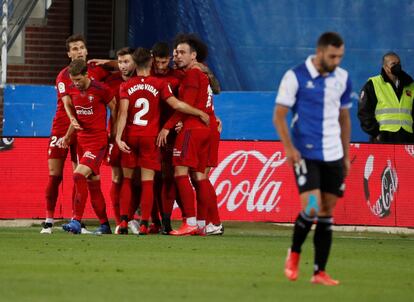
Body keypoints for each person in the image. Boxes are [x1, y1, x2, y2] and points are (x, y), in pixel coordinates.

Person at [273, 32, 352, 286]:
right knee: (311, 207)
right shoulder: (295, 76)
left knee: (327, 211)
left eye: (340, 56)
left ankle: (319, 272)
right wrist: (288, 148)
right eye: (332, 56)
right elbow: (279, 115)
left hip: (334, 154)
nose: (337, 61)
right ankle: (294, 253)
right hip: (305, 152)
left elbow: (344, 118)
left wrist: (346, 155)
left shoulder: (342, 78)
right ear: (319, 52)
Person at [116, 47, 209, 235]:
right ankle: (144, 224)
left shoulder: (125, 85)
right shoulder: (158, 84)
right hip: (150, 137)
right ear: (150, 63)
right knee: (148, 182)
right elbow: (176, 104)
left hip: (130, 136)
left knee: (126, 180)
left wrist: (118, 137)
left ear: (134, 63)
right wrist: (199, 112)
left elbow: (123, 113)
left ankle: (124, 222)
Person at [40, 34, 110, 234]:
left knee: (79, 175)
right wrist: (70, 126)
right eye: (74, 49)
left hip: (83, 132)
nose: (78, 51)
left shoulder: (96, 71)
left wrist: (109, 62)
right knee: (55, 175)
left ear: (86, 50)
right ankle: (48, 220)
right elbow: (66, 104)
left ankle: (76, 221)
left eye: (81, 47)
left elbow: (124, 67)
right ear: (68, 54)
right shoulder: (64, 76)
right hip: (63, 128)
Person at [157, 34, 218, 236]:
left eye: (182, 52)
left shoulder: (193, 74)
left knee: (179, 173)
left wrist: (167, 126)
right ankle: (205, 223)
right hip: (205, 129)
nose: (177, 56)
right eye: (176, 53)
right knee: (199, 177)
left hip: (192, 129)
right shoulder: (200, 74)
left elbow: (186, 106)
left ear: (194, 56)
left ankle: (190, 221)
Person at [60, 59, 116, 235]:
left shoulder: (101, 89)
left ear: (86, 74)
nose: (76, 83)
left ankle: (76, 221)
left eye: (78, 79)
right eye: (73, 80)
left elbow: (116, 110)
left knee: (78, 175)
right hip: (81, 142)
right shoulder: (72, 90)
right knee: (93, 183)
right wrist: (68, 136)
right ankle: (105, 224)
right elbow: (76, 117)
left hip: (97, 142)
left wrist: (113, 135)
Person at [102, 47, 141, 235]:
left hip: (139, 136)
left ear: (135, 62)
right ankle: (120, 221)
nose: (123, 66)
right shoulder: (111, 81)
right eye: (120, 62)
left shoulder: (142, 79)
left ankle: (132, 216)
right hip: (115, 136)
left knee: (137, 180)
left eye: (126, 62)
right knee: (117, 178)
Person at [358, 52, 414, 143]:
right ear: (385, 67)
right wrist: (376, 133)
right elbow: (364, 112)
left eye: (399, 63)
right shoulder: (373, 84)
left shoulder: (410, 85)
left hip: (407, 137)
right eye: (393, 64)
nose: (397, 66)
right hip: (383, 137)